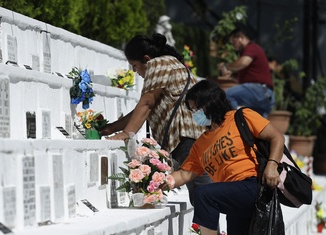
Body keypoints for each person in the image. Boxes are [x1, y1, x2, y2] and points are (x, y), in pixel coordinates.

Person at [99, 33, 212, 206]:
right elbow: (143, 109)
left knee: (203, 200)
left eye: (135, 66)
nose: (136, 72)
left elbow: (147, 102)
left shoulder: (158, 64)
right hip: (195, 138)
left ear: (146, 58)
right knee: (202, 197)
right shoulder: (172, 63)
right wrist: (111, 128)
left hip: (186, 140)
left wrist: (126, 133)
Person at [170, 79, 284, 235]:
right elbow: (184, 174)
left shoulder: (241, 116)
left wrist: (272, 166)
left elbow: (277, 137)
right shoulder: (201, 143)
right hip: (232, 197)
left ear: (211, 102)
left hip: (252, 185)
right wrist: (158, 183)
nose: (195, 114)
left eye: (197, 108)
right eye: (192, 110)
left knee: (204, 194)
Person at [219, 27, 274, 118]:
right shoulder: (252, 50)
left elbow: (243, 62)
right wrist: (232, 75)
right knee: (257, 127)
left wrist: (226, 66)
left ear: (240, 38)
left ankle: (236, 121)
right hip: (266, 95)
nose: (233, 45)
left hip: (259, 90)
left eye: (233, 42)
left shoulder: (252, 47)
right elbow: (247, 75)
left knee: (227, 95)